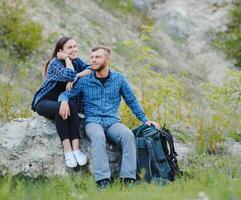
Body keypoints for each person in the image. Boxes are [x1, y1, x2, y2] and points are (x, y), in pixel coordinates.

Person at [58, 46, 159, 188]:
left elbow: (132, 101)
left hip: (112, 122)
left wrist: (145, 120)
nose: (93, 60)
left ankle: (128, 179)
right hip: (92, 121)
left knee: (128, 135)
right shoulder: (85, 80)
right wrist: (63, 101)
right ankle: (103, 180)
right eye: (92, 57)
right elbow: (66, 94)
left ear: (107, 59)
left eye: (97, 57)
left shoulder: (119, 79)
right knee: (99, 137)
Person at [31, 36, 91, 168]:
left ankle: (76, 149)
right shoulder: (55, 63)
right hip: (44, 101)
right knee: (61, 109)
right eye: (70, 47)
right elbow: (69, 75)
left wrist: (78, 75)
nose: (74, 49)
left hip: (63, 100)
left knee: (71, 106)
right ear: (61, 51)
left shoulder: (77, 62)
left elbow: (91, 69)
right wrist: (68, 60)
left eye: (75, 46)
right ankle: (67, 150)